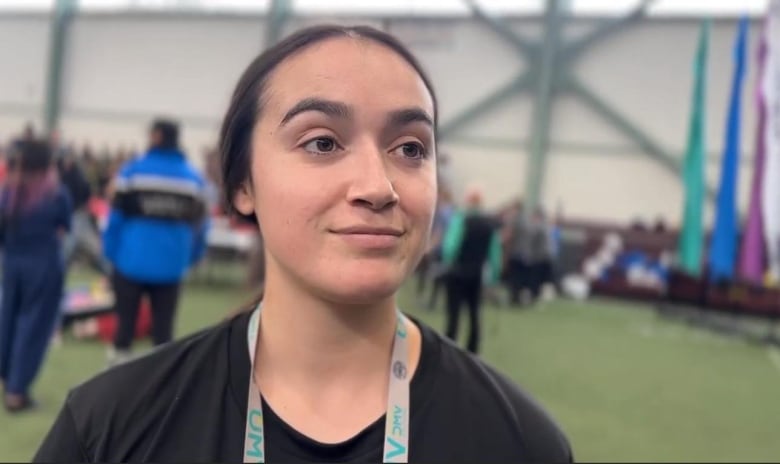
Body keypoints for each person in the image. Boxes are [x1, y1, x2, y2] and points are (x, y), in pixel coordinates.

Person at [34, 25, 572, 463]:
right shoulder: (108, 430)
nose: (377, 187)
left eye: (410, 149)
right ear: (242, 184)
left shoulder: (521, 443)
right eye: (322, 142)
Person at [101, 119, 209, 365]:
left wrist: (110, 253)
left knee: (124, 325)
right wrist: (191, 256)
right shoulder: (193, 180)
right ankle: (163, 385)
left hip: (130, 262)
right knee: (163, 330)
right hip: (171, 266)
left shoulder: (132, 173)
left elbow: (115, 219)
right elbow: (201, 226)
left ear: (157, 136)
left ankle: (116, 379)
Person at [0, 139, 72, 412]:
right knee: (34, 326)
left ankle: (6, 377)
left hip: (12, 264)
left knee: (6, 321)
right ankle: (17, 392)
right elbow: (63, 229)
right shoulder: (54, 193)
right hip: (43, 264)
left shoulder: (6, 192)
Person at [441, 186, 502, 354]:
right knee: (474, 313)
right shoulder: (489, 225)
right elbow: (495, 254)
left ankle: (450, 346)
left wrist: (448, 261)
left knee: (454, 313)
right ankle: (473, 349)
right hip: (476, 275)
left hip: (457, 272)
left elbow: (450, 247)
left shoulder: (460, 220)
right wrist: (495, 277)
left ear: (468, 201)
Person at [53, 131, 111, 276]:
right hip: (72, 216)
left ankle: (111, 273)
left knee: (88, 248)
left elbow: (86, 194)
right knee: (69, 250)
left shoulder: (73, 175)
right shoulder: (65, 174)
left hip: (77, 215)